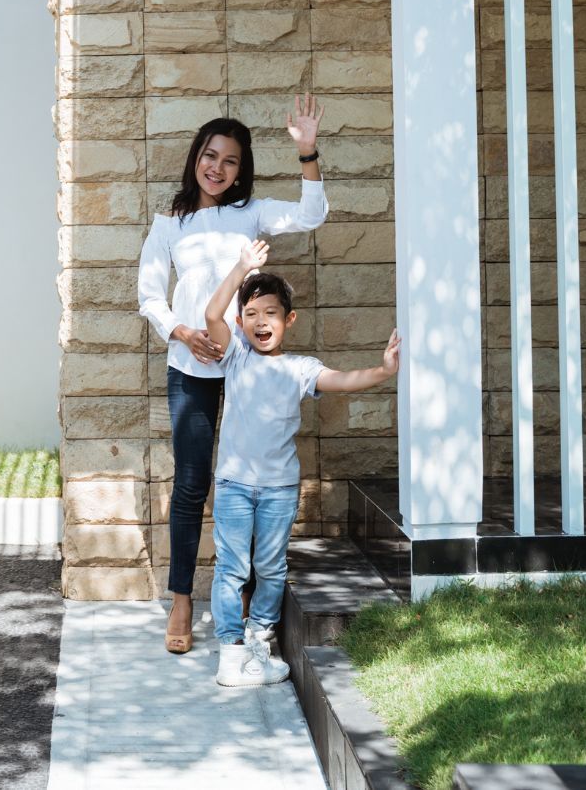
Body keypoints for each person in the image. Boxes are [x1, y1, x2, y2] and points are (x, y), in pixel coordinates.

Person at [136, 101, 328, 655]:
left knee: (243, 480)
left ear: (242, 170)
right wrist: (180, 332)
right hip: (190, 365)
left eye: (229, 161)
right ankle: (181, 599)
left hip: (246, 369)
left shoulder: (253, 212)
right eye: (210, 156)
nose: (216, 168)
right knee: (193, 482)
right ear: (196, 158)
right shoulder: (169, 225)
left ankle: (238, 591)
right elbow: (149, 293)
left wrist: (307, 150)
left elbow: (311, 214)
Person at [202, 239, 400, 686]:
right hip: (234, 484)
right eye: (251, 314)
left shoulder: (300, 368)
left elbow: (343, 380)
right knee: (232, 568)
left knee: (271, 567)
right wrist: (241, 267)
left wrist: (384, 371)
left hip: (278, 488)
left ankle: (258, 642)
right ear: (240, 323)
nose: (260, 321)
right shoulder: (234, 356)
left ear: (288, 320)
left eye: (270, 313)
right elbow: (212, 316)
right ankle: (230, 652)